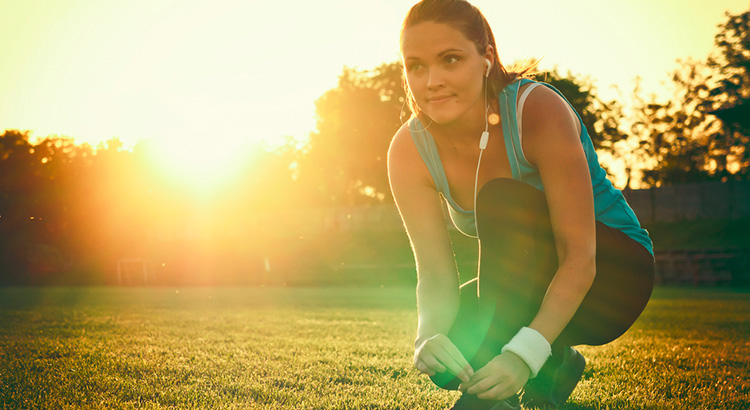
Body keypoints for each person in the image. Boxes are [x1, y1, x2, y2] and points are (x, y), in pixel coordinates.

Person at [386, 1, 655, 409]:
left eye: (451, 59)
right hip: (527, 285)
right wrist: (428, 336)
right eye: (416, 66)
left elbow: (579, 256)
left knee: (500, 197)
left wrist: (520, 354)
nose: (432, 81)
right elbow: (436, 274)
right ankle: (556, 364)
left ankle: (503, 392)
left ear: (486, 59)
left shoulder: (537, 109)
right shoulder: (408, 150)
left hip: (613, 278)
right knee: (449, 355)